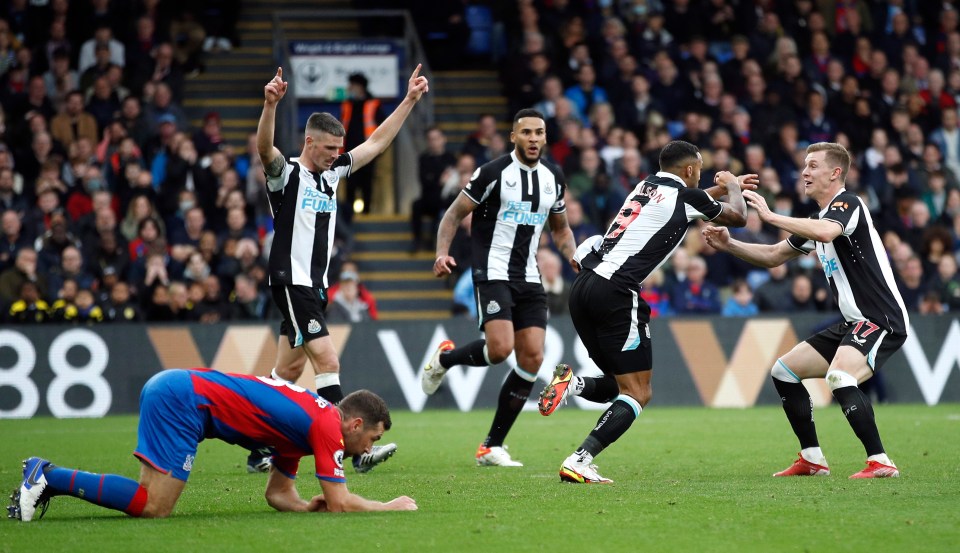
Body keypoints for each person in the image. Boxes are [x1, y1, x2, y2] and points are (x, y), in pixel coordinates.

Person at [537, 140, 751, 483]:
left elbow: (688, 202)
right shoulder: (687, 197)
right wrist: (735, 187)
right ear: (691, 170)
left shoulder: (646, 185)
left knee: (619, 383)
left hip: (585, 285)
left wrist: (719, 190)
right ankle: (579, 459)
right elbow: (738, 216)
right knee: (639, 392)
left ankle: (572, 384)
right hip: (617, 290)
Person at [255, 65, 428, 473]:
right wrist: (269, 105)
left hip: (315, 286)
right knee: (327, 362)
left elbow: (377, 144)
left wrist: (409, 100)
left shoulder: (332, 175)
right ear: (309, 142)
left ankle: (259, 443)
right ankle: (345, 449)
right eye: (329, 148)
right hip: (291, 279)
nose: (337, 154)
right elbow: (266, 150)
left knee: (288, 370)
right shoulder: (288, 175)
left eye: (339, 148)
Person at [702, 142, 908, 479]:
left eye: (813, 166)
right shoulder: (818, 221)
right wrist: (729, 245)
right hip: (854, 322)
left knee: (840, 377)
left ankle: (881, 461)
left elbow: (828, 231)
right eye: (804, 165)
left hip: (879, 319)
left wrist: (769, 216)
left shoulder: (848, 204)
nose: (805, 173)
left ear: (835, 172)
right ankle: (813, 459)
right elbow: (772, 256)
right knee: (784, 371)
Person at [7, 369, 417, 522]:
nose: (368, 449)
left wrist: (303, 505)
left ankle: (47, 478)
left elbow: (277, 494)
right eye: (372, 439)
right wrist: (388, 506)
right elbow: (342, 502)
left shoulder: (306, 428)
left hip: (177, 390)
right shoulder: (327, 423)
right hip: (185, 400)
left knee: (147, 500)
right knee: (155, 507)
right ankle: (48, 476)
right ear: (357, 423)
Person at [422, 108, 578, 467]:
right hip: (492, 271)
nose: (534, 138)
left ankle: (492, 445)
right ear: (513, 137)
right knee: (501, 349)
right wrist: (441, 253)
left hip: (529, 276)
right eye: (526, 132)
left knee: (533, 357)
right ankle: (444, 360)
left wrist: (573, 257)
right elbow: (453, 214)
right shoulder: (492, 173)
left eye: (539, 132)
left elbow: (560, 229)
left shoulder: (553, 177)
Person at [339, 72, 385, 218]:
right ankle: (349, 215)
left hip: (368, 149)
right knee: (350, 183)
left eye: (352, 85)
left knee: (367, 181)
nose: (349, 88)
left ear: (360, 87)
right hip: (349, 150)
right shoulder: (347, 104)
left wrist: (379, 149)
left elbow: (384, 127)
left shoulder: (374, 104)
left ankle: (366, 214)